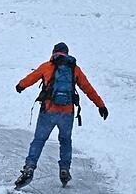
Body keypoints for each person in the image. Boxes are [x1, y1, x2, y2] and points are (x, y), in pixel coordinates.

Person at [13, 42, 108, 189]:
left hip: (48, 111)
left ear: (54, 52)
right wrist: (100, 105)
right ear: (67, 53)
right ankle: (64, 169)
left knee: (39, 140)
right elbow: (88, 89)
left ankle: (29, 167)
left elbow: (31, 78)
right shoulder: (74, 69)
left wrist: (20, 85)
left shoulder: (47, 66)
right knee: (65, 141)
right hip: (67, 113)